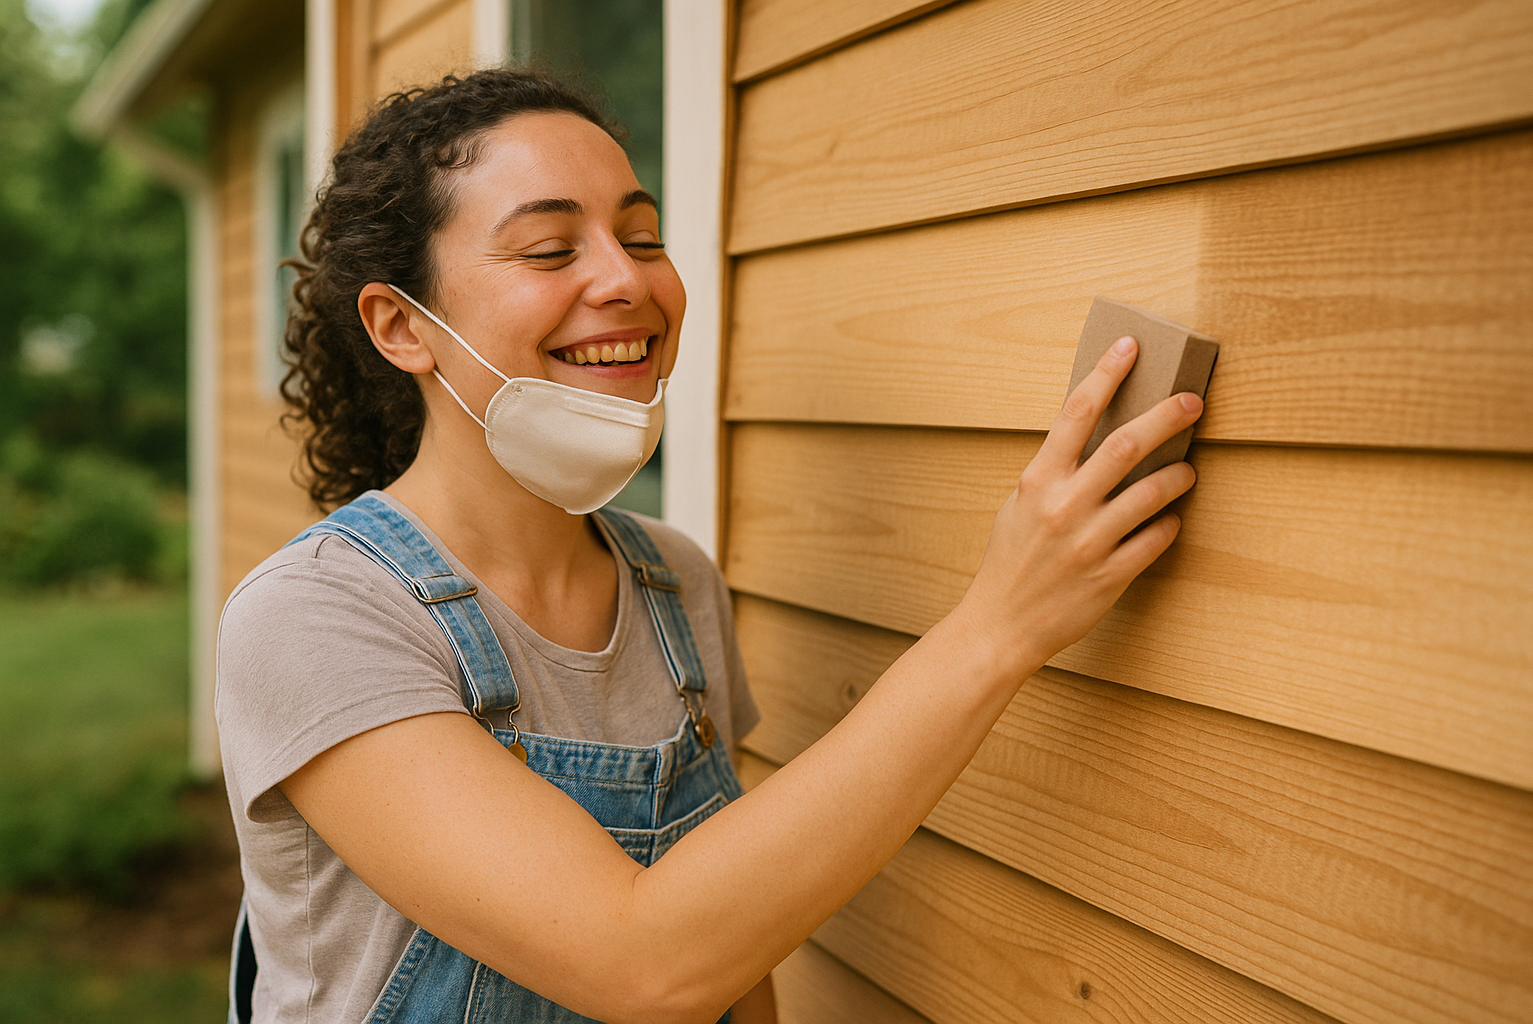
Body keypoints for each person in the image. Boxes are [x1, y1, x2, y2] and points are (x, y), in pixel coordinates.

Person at [215, 68, 1203, 1024]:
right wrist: (1001, 622)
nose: (626, 279)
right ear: (400, 325)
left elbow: (734, 955)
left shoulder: (671, 584)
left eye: (641, 237)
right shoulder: (316, 615)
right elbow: (645, 960)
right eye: (552, 249)